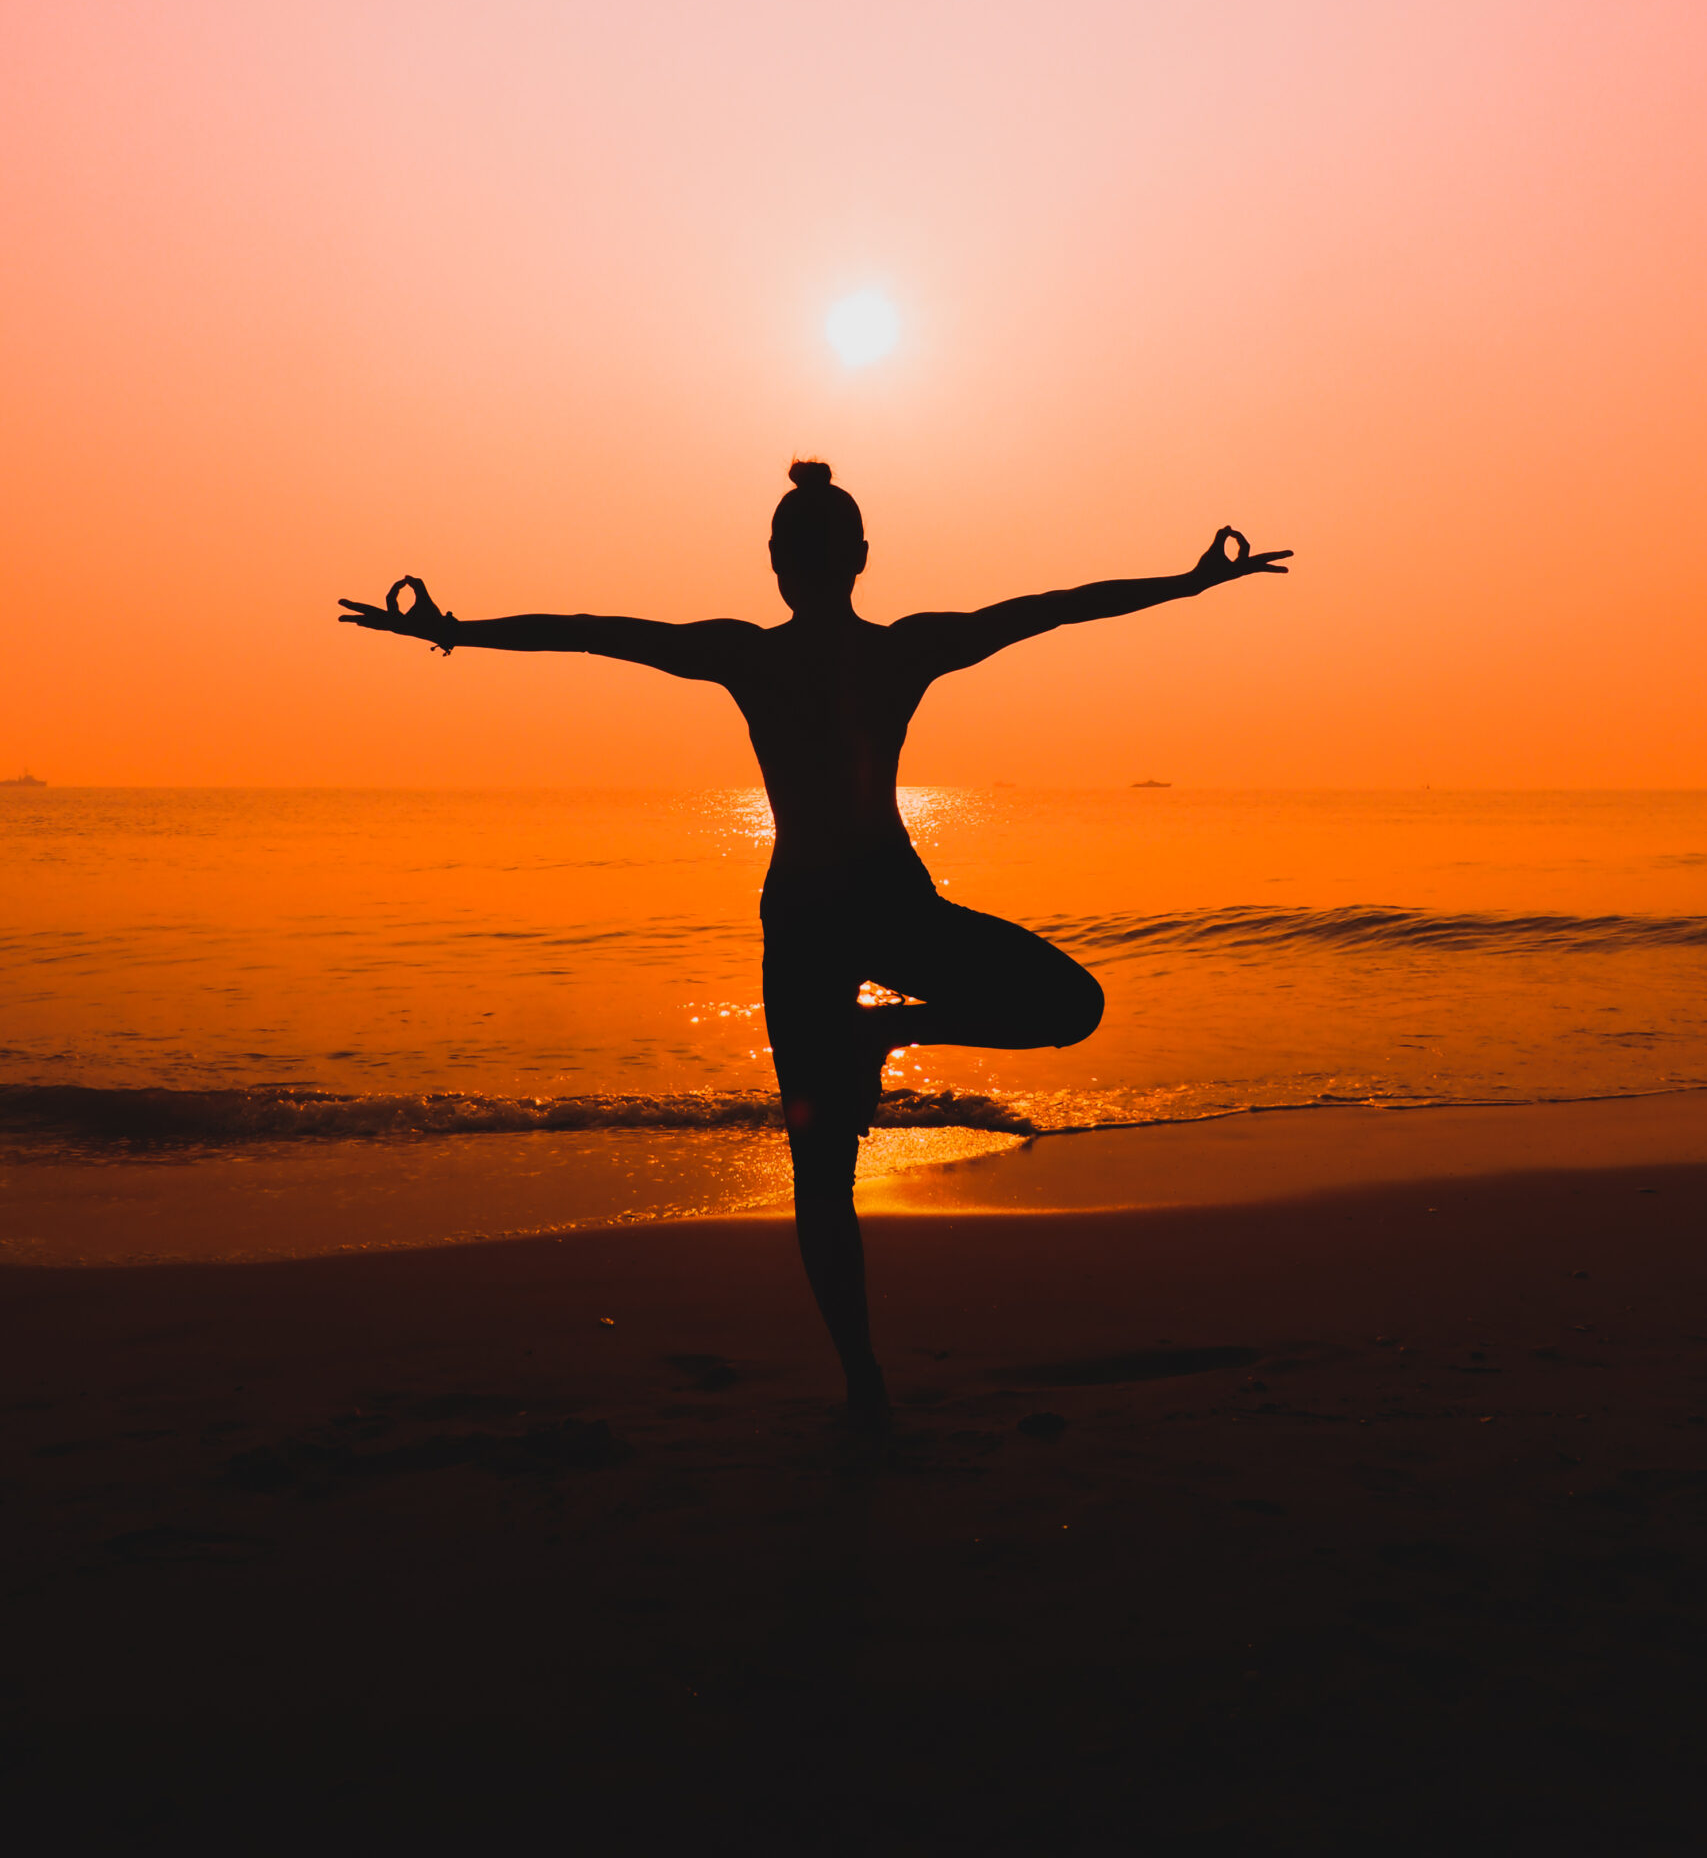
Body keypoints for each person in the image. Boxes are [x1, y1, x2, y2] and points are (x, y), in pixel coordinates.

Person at [339, 463, 1290, 1422]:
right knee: (1057, 1014)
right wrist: (1184, 584)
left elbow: (600, 636)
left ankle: (862, 1355)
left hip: (808, 914)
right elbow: (1047, 609)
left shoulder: (752, 656)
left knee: (824, 1168)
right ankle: (868, 1314)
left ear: (777, 565)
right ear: (859, 559)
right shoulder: (900, 652)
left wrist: (457, 631)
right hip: (880, 904)